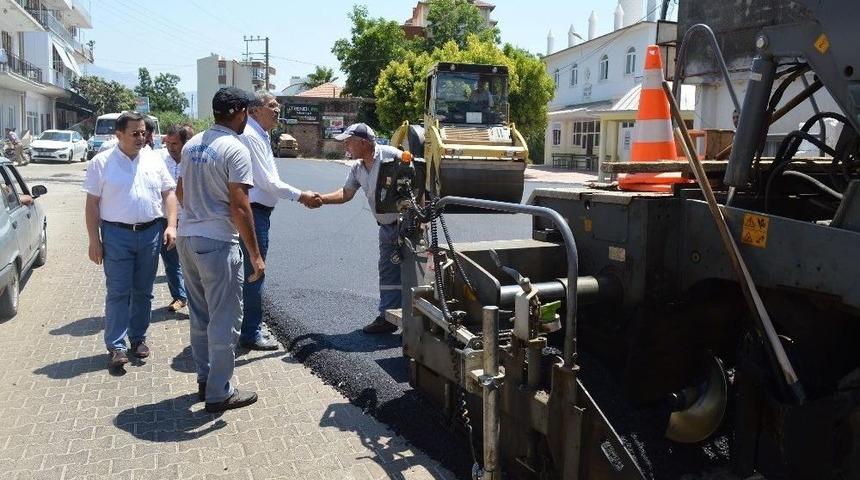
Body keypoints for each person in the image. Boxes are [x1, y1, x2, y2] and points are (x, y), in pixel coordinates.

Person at [176, 87, 263, 413]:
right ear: (239, 111)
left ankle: (205, 379)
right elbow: (240, 207)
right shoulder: (235, 149)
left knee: (199, 317)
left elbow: (181, 192)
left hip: (188, 239)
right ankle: (220, 392)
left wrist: (198, 214)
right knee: (225, 320)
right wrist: (254, 254)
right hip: (216, 244)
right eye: (248, 112)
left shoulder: (192, 145)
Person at [83, 112, 178, 368]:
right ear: (119, 135)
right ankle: (116, 346)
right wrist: (94, 240)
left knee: (144, 292)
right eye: (134, 133)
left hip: (150, 234)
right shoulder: (101, 162)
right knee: (118, 292)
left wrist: (171, 225)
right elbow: (92, 204)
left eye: (144, 133)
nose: (141, 137)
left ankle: (138, 338)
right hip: (116, 235)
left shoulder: (154, 160)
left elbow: (168, 193)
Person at [238, 92, 321, 350]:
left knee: (252, 271)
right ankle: (251, 332)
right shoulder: (251, 136)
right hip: (253, 212)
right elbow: (267, 182)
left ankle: (247, 327)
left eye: (277, 105)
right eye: (272, 105)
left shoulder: (260, 134)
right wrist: (301, 196)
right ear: (254, 110)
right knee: (256, 271)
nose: (277, 109)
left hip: (258, 210)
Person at [318, 123, 405, 334]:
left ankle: (418, 319)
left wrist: (420, 220)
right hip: (386, 228)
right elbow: (346, 194)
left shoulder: (392, 155)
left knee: (415, 272)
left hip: (408, 225)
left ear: (363, 142)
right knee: (388, 272)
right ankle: (388, 317)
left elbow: (418, 181)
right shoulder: (357, 168)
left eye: (349, 142)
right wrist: (321, 199)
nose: (346, 146)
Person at [160, 124, 193, 312]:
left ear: (184, 143)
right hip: (167, 220)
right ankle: (179, 297)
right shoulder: (159, 160)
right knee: (171, 261)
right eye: (168, 143)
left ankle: (197, 299)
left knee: (191, 263)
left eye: (175, 143)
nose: (171, 147)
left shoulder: (193, 160)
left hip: (190, 219)